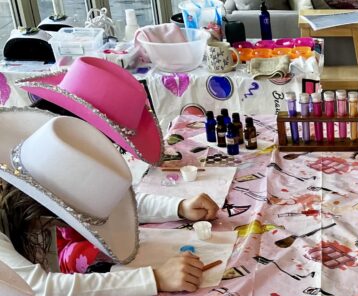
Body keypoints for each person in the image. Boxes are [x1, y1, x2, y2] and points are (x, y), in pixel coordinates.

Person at [0, 108, 215, 296]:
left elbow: (108, 204)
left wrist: (179, 207)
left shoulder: (31, 185)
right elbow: (41, 292)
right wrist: (154, 278)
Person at [17, 56, 218, 276]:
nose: (111, 151)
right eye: (110, 142)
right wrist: (153, 278)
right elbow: (46, 289)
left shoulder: (64, 154)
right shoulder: (31, 179)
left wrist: (179, 207)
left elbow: (114, 202)